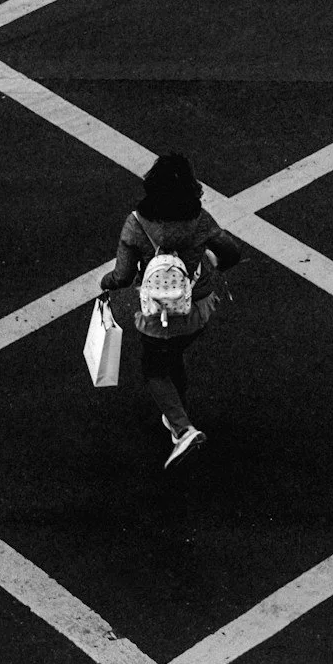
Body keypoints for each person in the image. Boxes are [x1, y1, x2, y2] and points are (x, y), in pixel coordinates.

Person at [98, 153, 252, 466]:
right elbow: (232, 253)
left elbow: (123, 276)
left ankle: (183, 430)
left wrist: (107, 281)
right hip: (196, 309)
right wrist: (210, 261)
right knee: (175, 355)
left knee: (153, 368)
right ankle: (177, 413)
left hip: (157, 314)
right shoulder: (200, 220)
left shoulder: (136, 224)